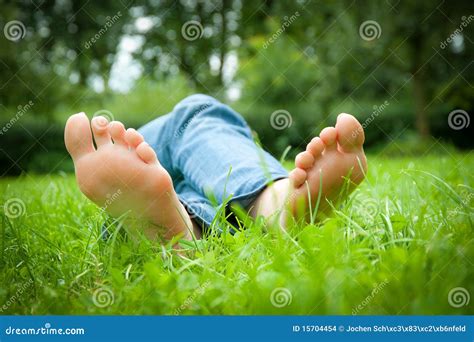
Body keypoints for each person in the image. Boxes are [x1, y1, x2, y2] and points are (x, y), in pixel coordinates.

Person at [64, 94, 367, 241]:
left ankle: (185, 231)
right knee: (197, 114)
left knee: (186, 125)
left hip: (141, 149)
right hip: (156, 147)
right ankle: (273, 202)